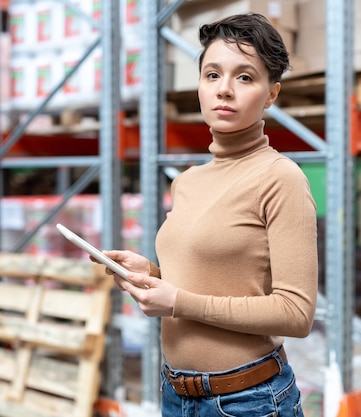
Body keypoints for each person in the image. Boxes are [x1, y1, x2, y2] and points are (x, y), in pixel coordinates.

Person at [100, 13, 318, 417]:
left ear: (272, 94)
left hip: (248, 401)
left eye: (246, 78)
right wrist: (150, 273)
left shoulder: (280, 178)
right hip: (175, 393)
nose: (225, 90)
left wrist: (177, 301)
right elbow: (209, 278)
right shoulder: (188, 181)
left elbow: (296, 313)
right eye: (212, 75)